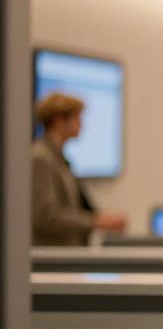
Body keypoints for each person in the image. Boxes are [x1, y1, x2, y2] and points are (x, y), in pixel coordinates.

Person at [31, 92, 127, 245]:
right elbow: (46, 216)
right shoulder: (40, 158)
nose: (82, 124)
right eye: (77, 118)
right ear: (59, 120)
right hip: (52, 258)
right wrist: (95, 222)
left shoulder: (59, 158)